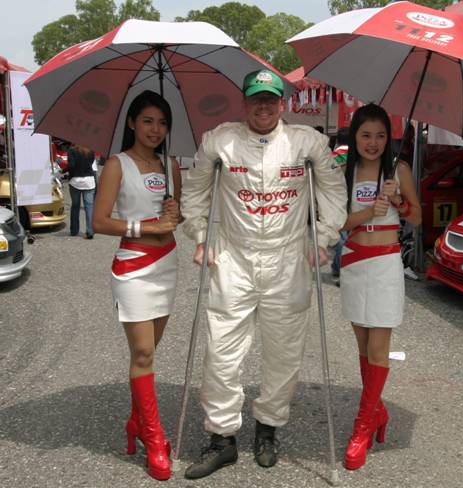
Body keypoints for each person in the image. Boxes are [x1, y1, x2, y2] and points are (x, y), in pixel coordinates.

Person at [182, 69, 347, 479]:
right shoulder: (220, 141)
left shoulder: (307, 142)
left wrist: (323, 237)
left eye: (270, 99)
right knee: (221, 351)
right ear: (244, 102)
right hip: (233, 256)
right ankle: (222, 438)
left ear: (282, 104)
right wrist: (201, 235)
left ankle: (268, 429)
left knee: (284, 353)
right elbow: (195, 192)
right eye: (256, 98)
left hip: (288, 258)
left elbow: (332, 192)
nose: (263, 106)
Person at [92, 90, 182, 481]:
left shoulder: (171, 165)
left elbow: (175, 219)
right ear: (132, 123)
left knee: (148, 353)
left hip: (167, 264)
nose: (155, 129)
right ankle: (154, 436)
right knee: (143, 352)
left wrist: (175, 213)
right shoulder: (117, 164)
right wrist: (146, 226)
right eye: (147, 121)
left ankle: (136, 421)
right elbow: (99, 221)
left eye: (162, 123)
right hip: (133, 266)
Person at [339, 103, 421, 470]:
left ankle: (362, 426)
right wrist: (365, 213)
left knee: (378, 347)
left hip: (386, 263)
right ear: (355, 136)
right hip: (354, 261)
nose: (373, 142)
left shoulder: (398, 170)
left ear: (389, 139)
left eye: (380, 136)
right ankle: (378, 410)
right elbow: (337, 222)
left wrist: (398, 200)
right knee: (362, 345)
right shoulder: (344, 172)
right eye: (366, 135)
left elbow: (417, 217)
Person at [331, 127, 349, 280]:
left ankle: (340, 267)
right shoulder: (358, 155)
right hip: (353, 198)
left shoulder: (334, 155)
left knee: (340, 236)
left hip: (336, 199)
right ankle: (338, 266)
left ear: (337, 140)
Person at [67, 144, 96, 238]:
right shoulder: (91, 150)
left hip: (75, 181)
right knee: (89, 207)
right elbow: (91, 163)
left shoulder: (72, 150)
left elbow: (71, 166)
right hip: (89, 181)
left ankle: (74, 230)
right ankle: (90, 231)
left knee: (75, 206)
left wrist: (64, 171)